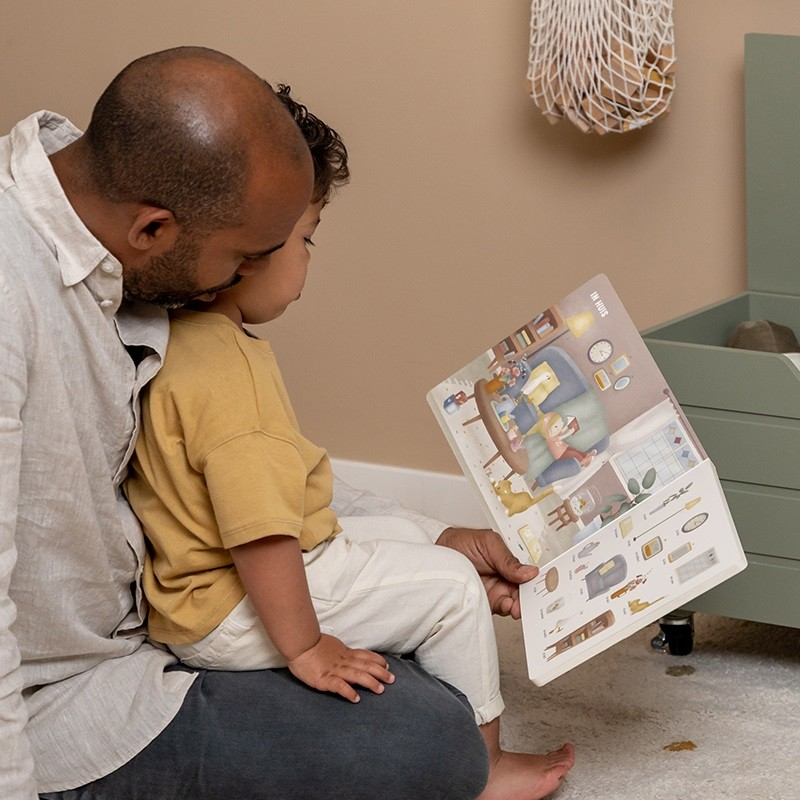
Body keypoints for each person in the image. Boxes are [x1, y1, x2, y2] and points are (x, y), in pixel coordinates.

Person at [0, 46, 560, 800]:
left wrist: (432, 536)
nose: (254, 276)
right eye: (247, 255)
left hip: (169, 617)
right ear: (155, 231)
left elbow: (253, 474)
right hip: (67, 702)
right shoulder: (17, 302)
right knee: (428, 746)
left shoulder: (120, 227)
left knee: (423, 680)